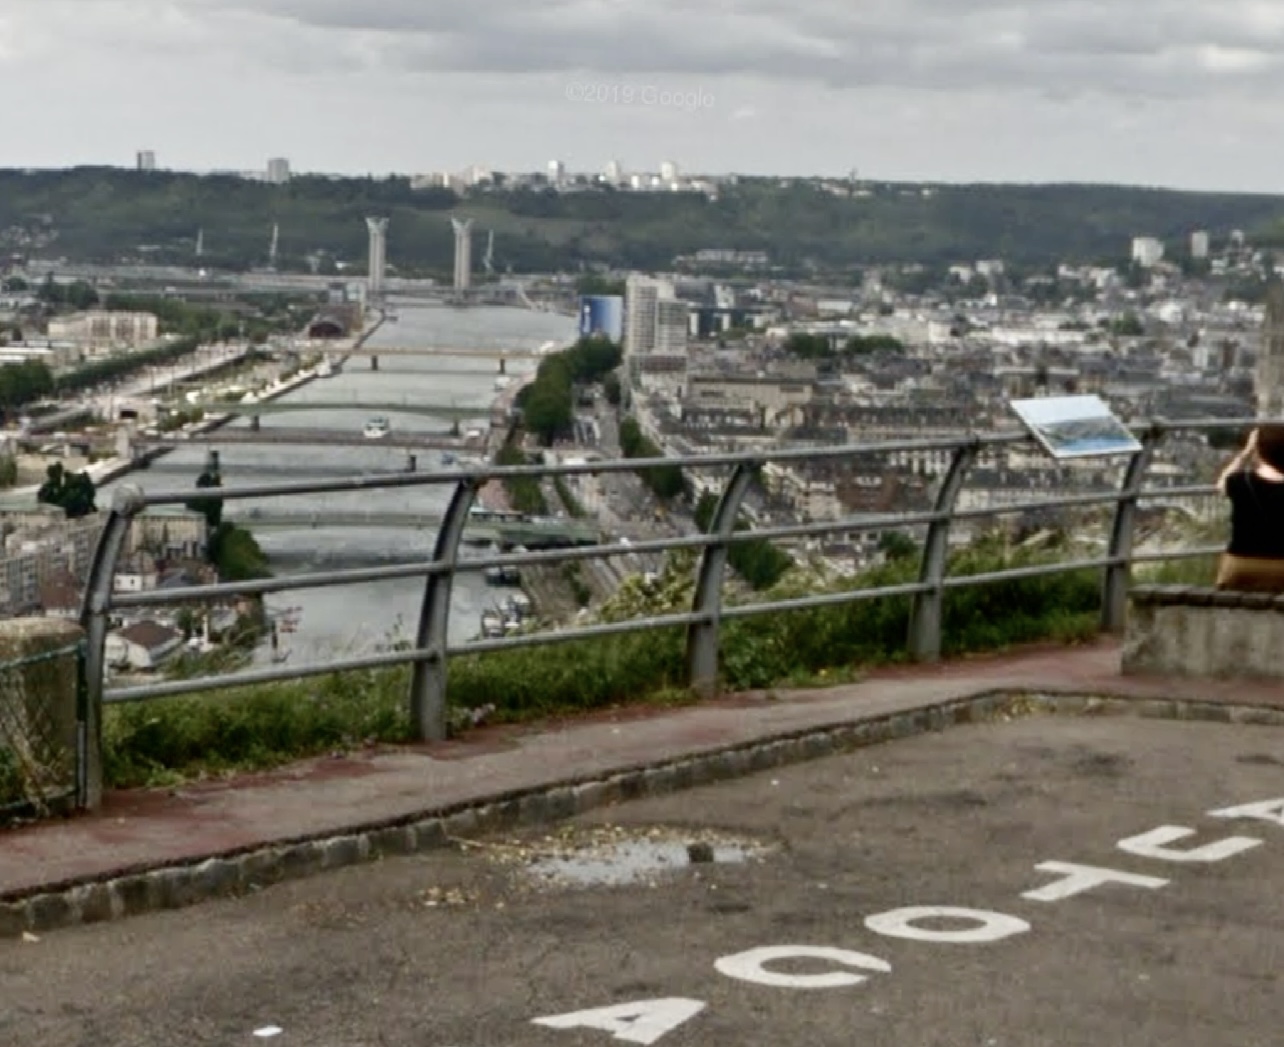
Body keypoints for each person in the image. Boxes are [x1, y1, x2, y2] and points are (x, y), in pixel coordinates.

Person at [1215, 424, 1284, 591]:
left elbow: (1221, 484)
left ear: (1258, 451)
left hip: (1240, 565)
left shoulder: (1240, 482)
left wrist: (1246, 453)